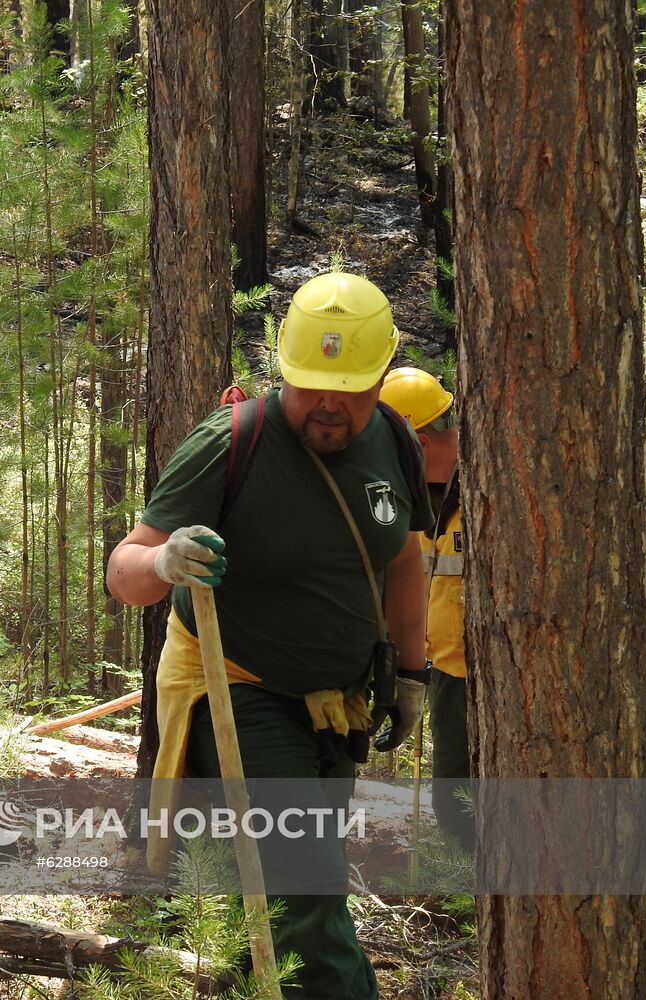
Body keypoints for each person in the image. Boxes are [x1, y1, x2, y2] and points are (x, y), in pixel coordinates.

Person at [107, 272, 434, 1000]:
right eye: (310, 384)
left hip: (337, 707)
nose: (327, 404)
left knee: (266, 887)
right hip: (240, 695)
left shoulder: (392, 440)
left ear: (381, 374)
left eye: (347, 387)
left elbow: (404, 558)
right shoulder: (231, 442)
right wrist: (163, 559)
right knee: (302, 896)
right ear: (282, 369)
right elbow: (124, 572)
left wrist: (411, 673)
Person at [378, 366, 471, 849]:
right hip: (445, 671)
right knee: (453, 798)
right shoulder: (412, 498)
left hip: (490, 674)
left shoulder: (487, 489)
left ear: (420, 441)